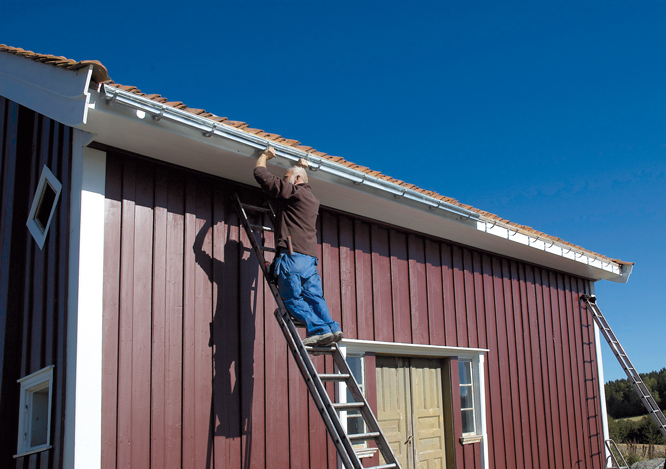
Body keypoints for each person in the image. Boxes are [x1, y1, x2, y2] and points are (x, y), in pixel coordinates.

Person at [254, 145, 343, 347]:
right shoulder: (312, 199)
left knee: (292, 298)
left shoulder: (293, 192)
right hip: (309, 260)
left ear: (297, 180)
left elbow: (261, 175)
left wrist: (264, 156)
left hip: (292, 257)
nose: (284, 180)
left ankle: (319, 330)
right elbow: (297, 177)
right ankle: (332, 327)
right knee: (314, 297)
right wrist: (299, 166)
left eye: (286, 177)